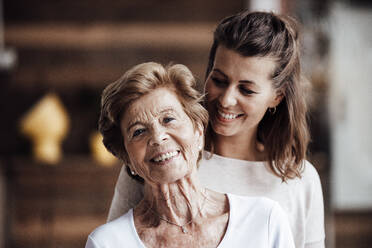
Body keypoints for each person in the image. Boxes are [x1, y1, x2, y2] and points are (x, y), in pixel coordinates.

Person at [108, 10, 325, 248]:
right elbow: (118, 239)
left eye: (247, 90)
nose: (226, 100)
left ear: (277, 97)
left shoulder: (300, 180)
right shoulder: (164, 158)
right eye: (219, 80)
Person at [85, 62, 295, 248]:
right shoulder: (107, 243)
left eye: (168, 119)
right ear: (127, 158)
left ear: (198, 131)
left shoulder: (264, 221)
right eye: (138, 131)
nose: (158, 138)